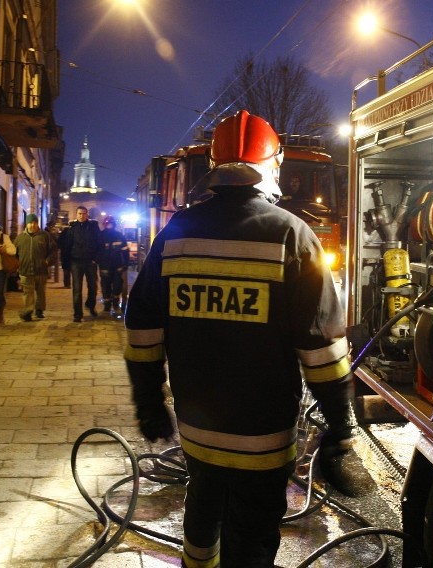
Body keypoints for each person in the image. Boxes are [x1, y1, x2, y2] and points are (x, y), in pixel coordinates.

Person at [124, 110, 355, 568]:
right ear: (275, 164)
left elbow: (142, 328)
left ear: (214, 165)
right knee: (251, 539)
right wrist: (338, 428)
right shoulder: (292, 235)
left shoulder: (176, 234)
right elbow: (322, 351)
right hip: (263, 435)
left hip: (197, 428)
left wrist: (148, 401)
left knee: (202, 513)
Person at [14, 213, 56, 321]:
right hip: (25, 269)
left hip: (41, 269)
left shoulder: (45, 236)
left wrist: (48, 261)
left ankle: (39, 309)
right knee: (27, 292)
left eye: (34, 223)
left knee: (40, 291)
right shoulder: (20, 238)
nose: (32, 225)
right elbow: (14, 253)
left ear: (37, 223)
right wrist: (17, 265)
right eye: (30, 223)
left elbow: (53, 251)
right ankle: (28, 311)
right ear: (26, 224)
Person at [64, 206, 101, 322]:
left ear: (87, 215)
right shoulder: (71, 229)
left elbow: (99, 243)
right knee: (77, 289)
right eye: (80, 213)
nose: (82, 216)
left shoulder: (93, 227)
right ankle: (77, 314)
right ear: (76, 215)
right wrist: (67, 263)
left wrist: (96, 258)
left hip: (90, 261)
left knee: (93, 287)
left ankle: (90, 305)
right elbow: (67, 246)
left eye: (84, 213)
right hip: (76, 262)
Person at [97, 215, 129, 315]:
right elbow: (97, 252)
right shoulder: (100, 236)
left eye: (111, 223)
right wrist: (100, 264)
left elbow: (125, 251)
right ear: (104, 224)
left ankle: (115, 302)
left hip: (117, 266)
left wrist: (125, 264)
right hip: (105, 266)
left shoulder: (120, 236)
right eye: (108, 223)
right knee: (105, 286)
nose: (109, 225)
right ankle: (107, 304)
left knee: (117, 286)